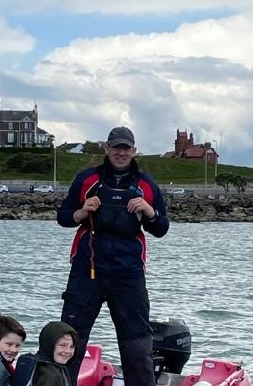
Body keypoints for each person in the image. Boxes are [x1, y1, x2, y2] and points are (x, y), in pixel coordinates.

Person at [56, 126, 170, 386]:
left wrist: (149, 211)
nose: (121, 152)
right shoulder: (87, 179)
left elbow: (161, 228)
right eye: (116, 147)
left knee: (137, 341)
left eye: (126, 148)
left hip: (128, 272)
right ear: (106, 149)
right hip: (89, 268)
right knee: (71, 337)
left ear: (134, 151)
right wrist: (82, 212)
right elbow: (64, 217)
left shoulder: (146, 184)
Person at [14, 321, 78, 386]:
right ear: (49, 345)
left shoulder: (32, 363)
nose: (68, 351)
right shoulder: (52, 375)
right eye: (63, 345)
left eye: (72, 347)